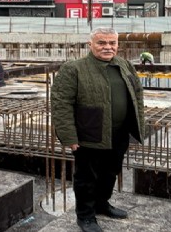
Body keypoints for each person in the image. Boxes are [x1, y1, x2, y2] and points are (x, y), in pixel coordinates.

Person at [51, 27, 146, 232]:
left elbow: (137, 95)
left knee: (110, 172)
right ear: (90, 45)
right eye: (101, 43)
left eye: (112, 43)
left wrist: (138, 125)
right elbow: (61, 103)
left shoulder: (124, 64)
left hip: (119, 133)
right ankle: (85, 216)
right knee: (87, 178)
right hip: (89, 133)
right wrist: (68, 135)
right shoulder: (74, 68)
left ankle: (102, 204)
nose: (108, 47)